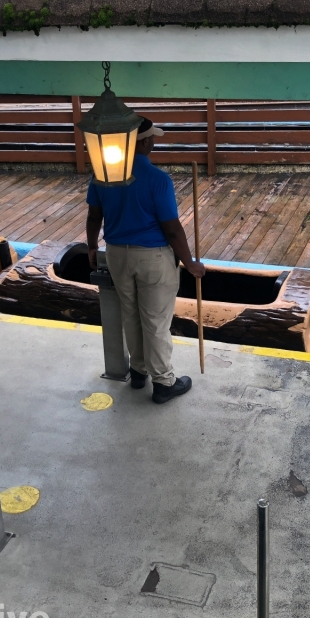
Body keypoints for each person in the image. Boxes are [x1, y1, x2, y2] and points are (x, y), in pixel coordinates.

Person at [86, 118, 205, 404]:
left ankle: (139, 372)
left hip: (116, 254)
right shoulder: (157, 180)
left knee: (132, 315)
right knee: (155, 322)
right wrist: (190, 263)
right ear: (142, 143)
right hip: (152, 257)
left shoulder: (103, 174)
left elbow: (93, 216)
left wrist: (92, 247)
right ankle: (163, 382)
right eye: (151, 138)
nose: (155, 142)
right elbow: (172, 228)